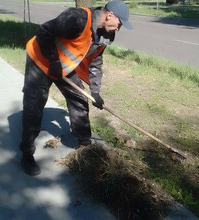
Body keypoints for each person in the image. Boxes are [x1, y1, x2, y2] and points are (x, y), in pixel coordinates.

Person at [20, 0, 132, 176]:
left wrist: (95, 91)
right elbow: (44, 31)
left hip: (64, 66)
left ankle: (84, 144)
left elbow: (95, 61)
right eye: (120, 24)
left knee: (80, 100)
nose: (119, 28)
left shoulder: (106, 35)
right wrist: (54, 62)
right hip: (40, 60)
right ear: (110, 15)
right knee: (34, 107)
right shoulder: (77, 18)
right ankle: (27, 153)